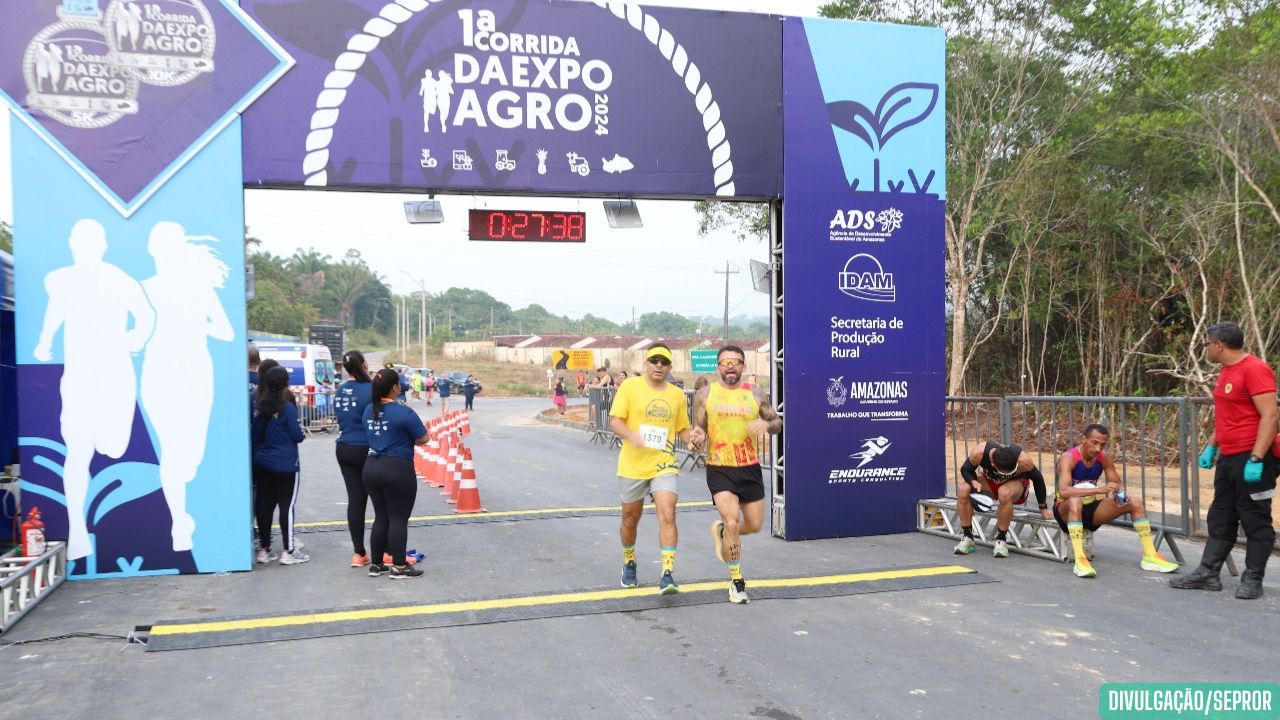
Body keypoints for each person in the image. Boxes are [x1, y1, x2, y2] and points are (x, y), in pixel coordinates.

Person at [33, 219, 154, 560]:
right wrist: (44, 342)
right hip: (79, 378)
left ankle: (109, 439)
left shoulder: (118, 280)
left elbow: (145, 315)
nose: (83, 247)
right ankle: (77, 530)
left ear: (101, 246)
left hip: (116, 374)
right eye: (78, 241)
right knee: (78, 449)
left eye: (90, 241)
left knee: (114, 447)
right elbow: (55, 312)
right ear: (72, 244)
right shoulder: (60, 280)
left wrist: (136, 337)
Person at [138, 221, 234, 553]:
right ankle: (179, 522)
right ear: (152, 248)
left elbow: (226, 331)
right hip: (159, 373)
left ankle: (180, 502)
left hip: (195, 372)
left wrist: (196, 323)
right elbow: (137, 333)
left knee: (190, 457)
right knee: (172, 452)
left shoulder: (198, 288)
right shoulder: (143, 288)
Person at [1171, 322, 1277, 599]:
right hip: (1229, 456)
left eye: (1206, 343)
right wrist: (1211, 446)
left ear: (1219, 344)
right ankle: (1208, 572)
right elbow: (1229, 415)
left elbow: (1270, 415)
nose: (1205, 348)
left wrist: (1257, 457)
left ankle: (1253, 578)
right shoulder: (1226, 371)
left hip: (1254, 456)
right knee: (1221, 515)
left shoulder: (1255, 369)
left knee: (1255, 518)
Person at [689, 345, 782, 603]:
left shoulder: (755, 393)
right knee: (731, 521)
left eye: (736, 362)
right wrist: (697, 438)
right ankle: (737, 581)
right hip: (720, 467)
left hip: (749, 467)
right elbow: (700, 428)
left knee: (752, 525)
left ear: (743, 366)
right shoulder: (705, 394)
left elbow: (777, 423)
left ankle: (725, 535)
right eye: (725, 362)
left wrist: (765, 423)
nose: (730, 366)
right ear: (718, 367)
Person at [609, 343, 694, 594]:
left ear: (670, 367)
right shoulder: (630, 386)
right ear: (645, 363)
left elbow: (683, 429)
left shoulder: (676, 395)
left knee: (668, 512)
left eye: (664, 362)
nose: (659, 366)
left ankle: (667, 573)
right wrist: (631, 435)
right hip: (633, 464)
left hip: (664, 462)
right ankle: (629, 560)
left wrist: (695, 440)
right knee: (629, 518)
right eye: (654, 361)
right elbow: (615, 420)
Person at [1053, 424, 1179, 578]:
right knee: (1075, 501)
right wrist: (1099, 490)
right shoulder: (1069, 458)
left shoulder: (1103, 457)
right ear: (1083, 439)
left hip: (1091, 509)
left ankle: (1150, 556)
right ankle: (1081, 560)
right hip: (1065, 510)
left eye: (1103, 444)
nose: (1098, 448)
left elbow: (1117, 483)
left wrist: (1120, 495)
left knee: (1135, 501)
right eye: (1094, 442)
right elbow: (1064, 491)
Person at [362, 368, 429, 579]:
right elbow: (423, 438)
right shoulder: (403, 412)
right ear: (395, 387)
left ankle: (376, 564)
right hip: (397, 468)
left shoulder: (368, 411)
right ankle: (399, 566)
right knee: (398, 518)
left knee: (381, 517)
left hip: (371, 467)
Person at [953, 441, 1051, 557]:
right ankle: (967, 537)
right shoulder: (979, 452)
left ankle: (1001, 539)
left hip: (1015, 486)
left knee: (1004, 492)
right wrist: (974, 482)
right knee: (963, 489)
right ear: (993, 464)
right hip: (989, 482)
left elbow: (1038, 480)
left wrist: (1043, 507)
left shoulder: (1023, 460)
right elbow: (966, 469)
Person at [252, 366, 308, 565]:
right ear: (285, 383)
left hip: (262, 462)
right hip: (286, 463)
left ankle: (264, 550)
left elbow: (255, 434)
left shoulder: (259, 406)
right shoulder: (287, 407)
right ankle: (288, 550)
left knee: (265, 506)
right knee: (287, 505)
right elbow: (298, 435)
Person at [334, 351, 374, 567]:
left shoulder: (340, 391)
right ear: (364, 364)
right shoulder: (371, 389)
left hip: (344, 447)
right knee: (381, 502)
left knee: (356, 501)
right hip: (366, 448)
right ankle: (386, 551)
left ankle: (358, 553)